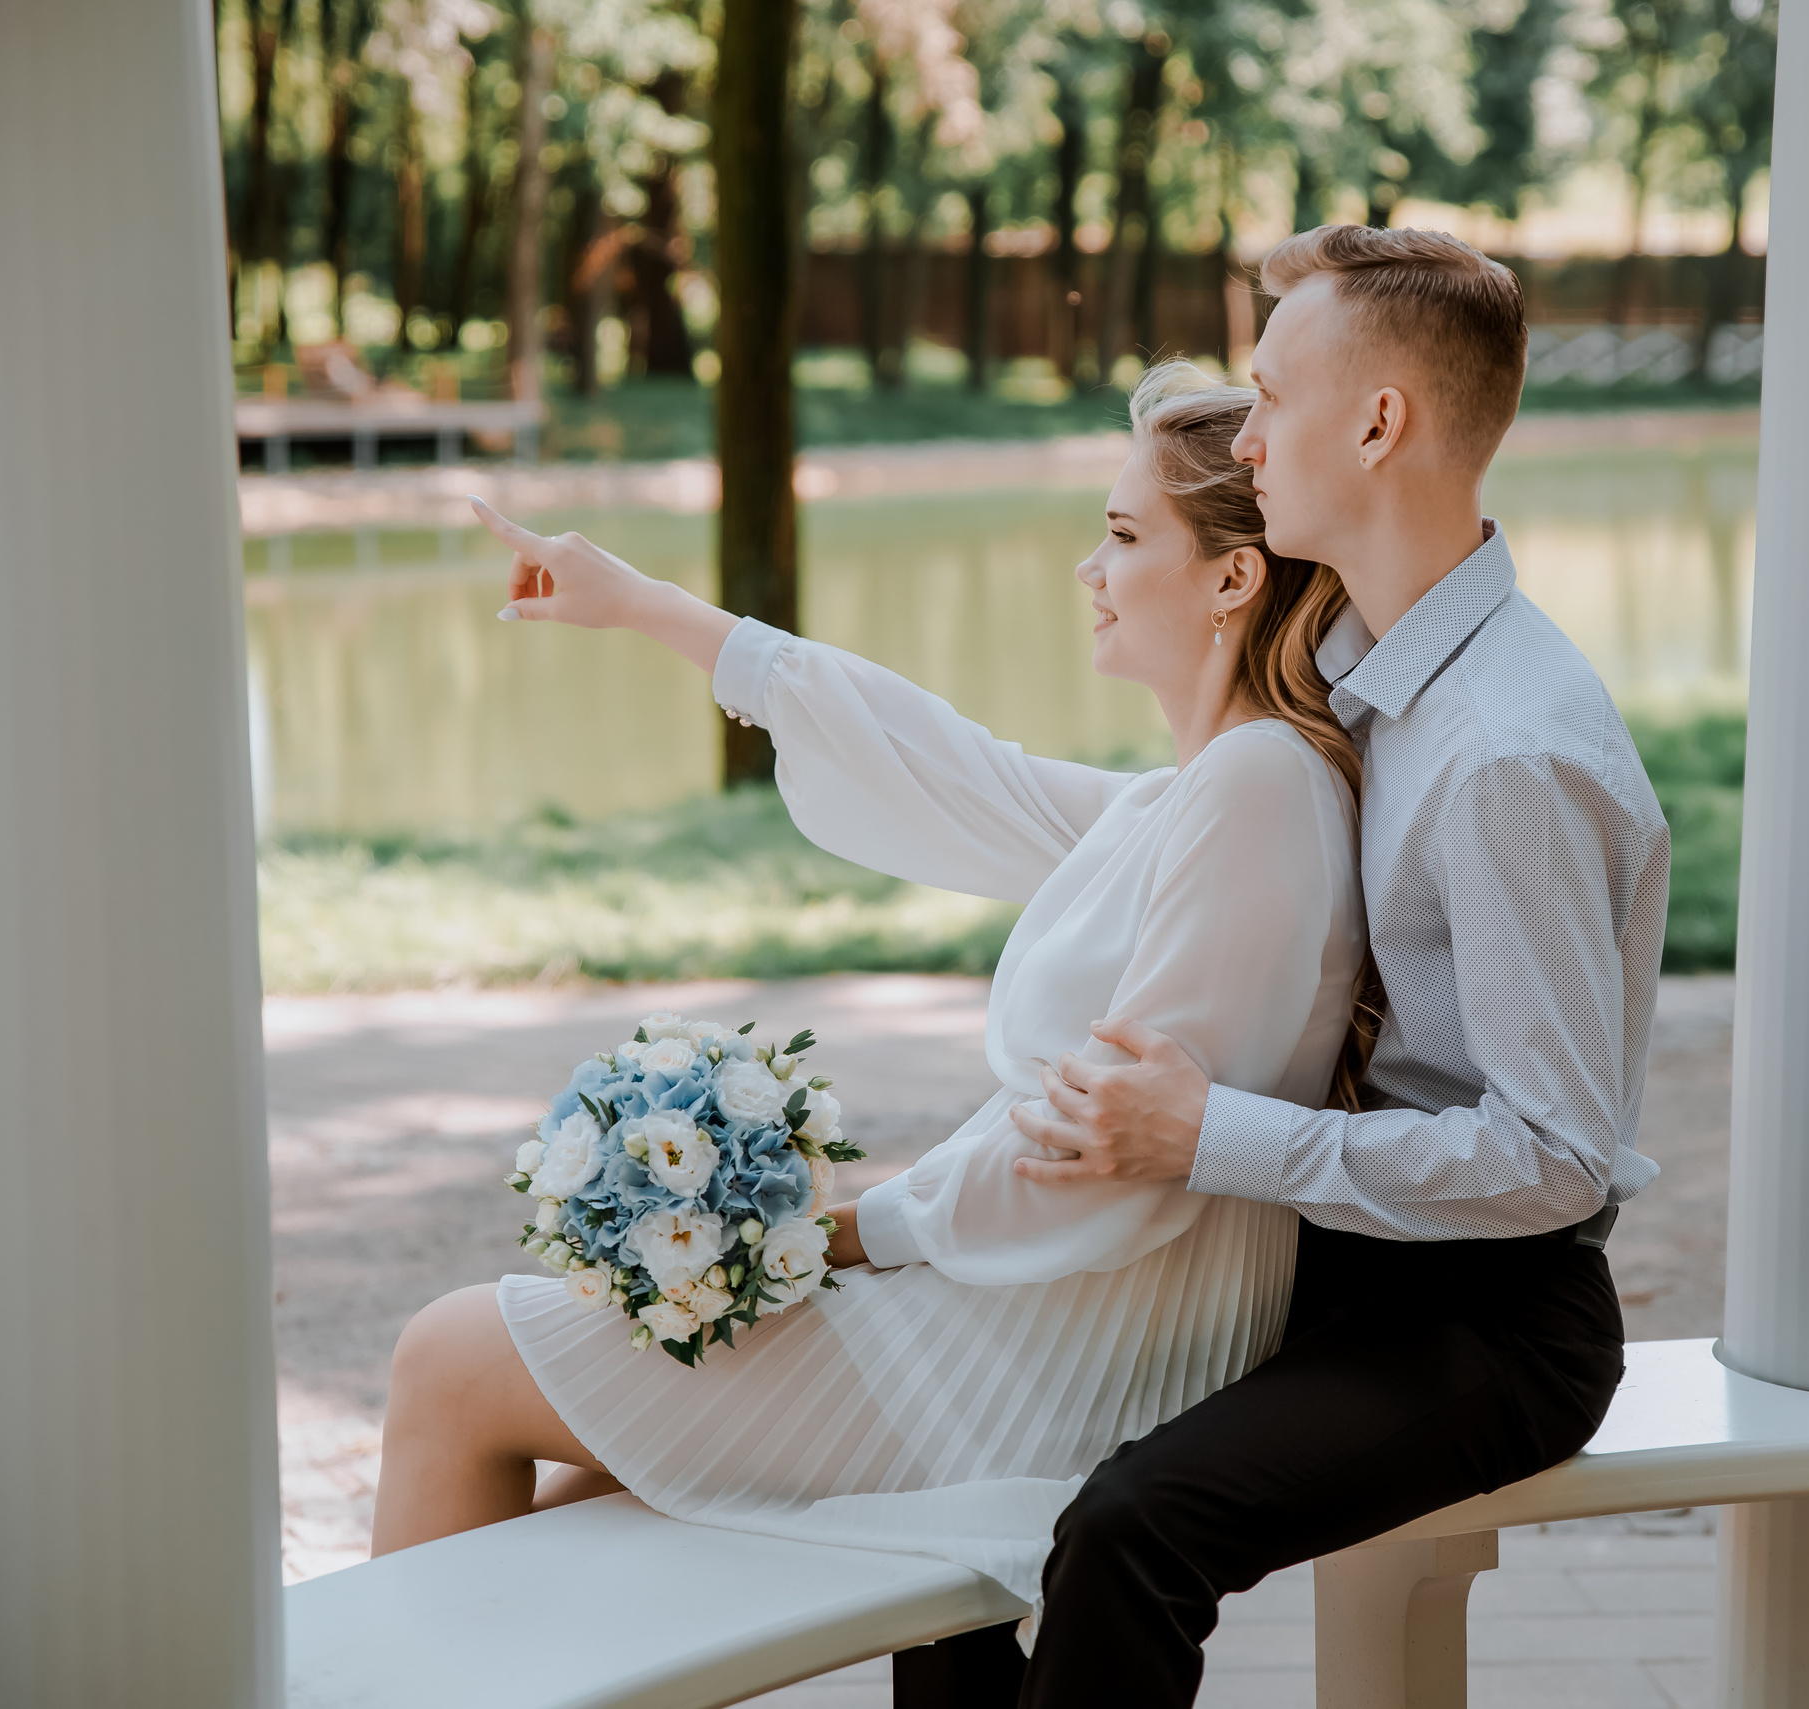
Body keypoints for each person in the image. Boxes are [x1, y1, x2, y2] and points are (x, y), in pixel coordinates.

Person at [366, 362, 1374, 1646]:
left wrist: (851, 1228)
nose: (1089, 569)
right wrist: (653, 609)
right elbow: (959, 772)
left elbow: (1123, 1155)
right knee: (585, 1475)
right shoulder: (1199, 789)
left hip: (1060, 1349)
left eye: (1122, 536)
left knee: (452, 1358)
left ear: (1235, 579)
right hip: (1038, 1303)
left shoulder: (1257, 786)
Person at [919, 225, 1673, 1706]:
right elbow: (1162, 815)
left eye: (1271, 397)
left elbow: (1559, 1155)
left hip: (1484, 1317)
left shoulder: (1507, 750)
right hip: (1325, 1261)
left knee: (1134, 1529)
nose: (1248, 434)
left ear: (1379, 423)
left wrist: (1210, 1135)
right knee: (953, 1460)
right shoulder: (1365, 672)